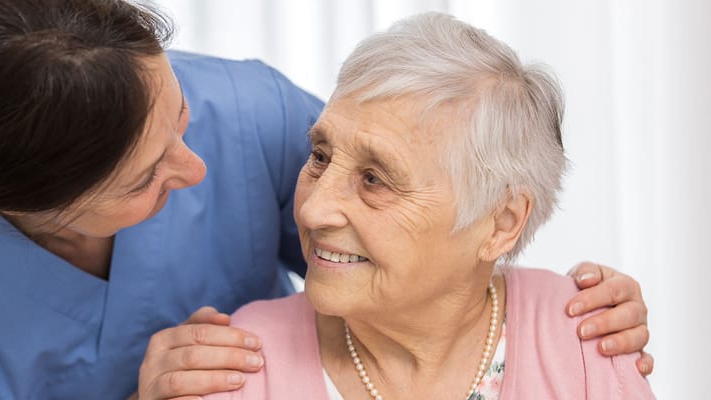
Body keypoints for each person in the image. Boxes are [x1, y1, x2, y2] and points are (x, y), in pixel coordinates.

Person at [0, 1, 650, 399]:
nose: (197, 169)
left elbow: (427, 214)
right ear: (36, 211)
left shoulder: (251, 111)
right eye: (146, 179)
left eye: (179, 116)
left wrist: (559, 316)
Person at [204, 12, 654, 400]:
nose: (312, 210)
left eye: (375, 179)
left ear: (501, 223)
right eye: (320, 156)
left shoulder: (586, 336)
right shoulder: (234, 365)